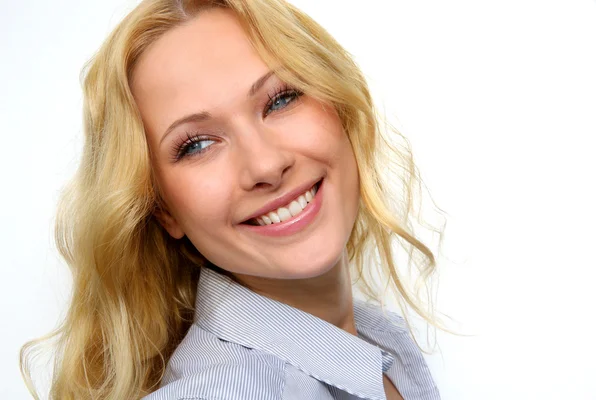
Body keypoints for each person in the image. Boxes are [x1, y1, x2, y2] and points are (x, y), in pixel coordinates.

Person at [21, 1, 449, 399]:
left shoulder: (380, 337)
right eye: (197, 145)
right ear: (162, 208)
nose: (265, 165)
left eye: (281, 99)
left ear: (340, 105)